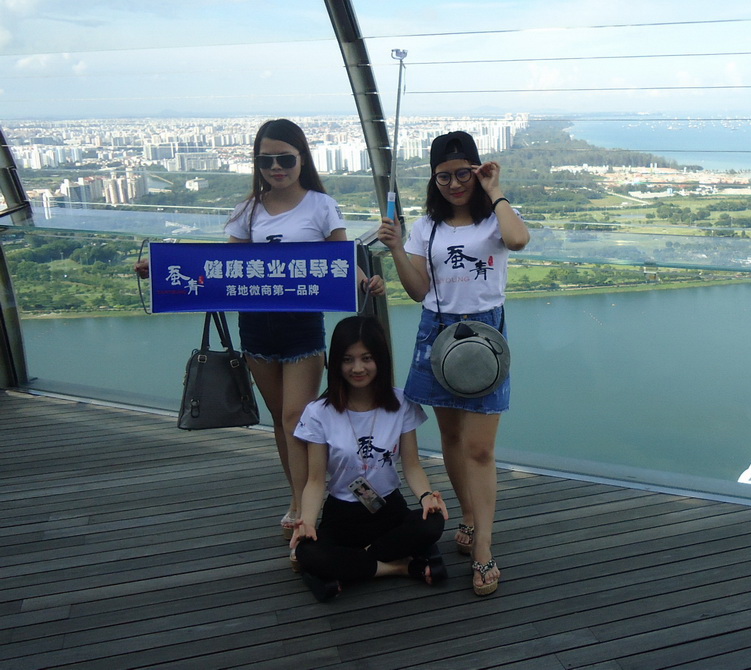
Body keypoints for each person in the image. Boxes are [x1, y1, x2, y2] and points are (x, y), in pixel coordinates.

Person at [136, 119, 385, 539]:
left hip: (302, 327)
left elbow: (340, 259)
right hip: (256, 328)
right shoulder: (247, 210)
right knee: (281, 420)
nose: (276, 168)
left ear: (301, 158)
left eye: (284, 159)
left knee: (295, 418)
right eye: (266, 160)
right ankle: (299, 497)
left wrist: (366, 281)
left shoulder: (322, 206)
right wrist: (160, 270)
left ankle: (306, 509)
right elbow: (221, 271)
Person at [378, 130, 530, 596]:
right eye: (443, 176)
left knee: (480, 448)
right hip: (438, 331)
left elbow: (519, 239)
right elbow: (418, 291)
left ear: (477, 170)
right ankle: (468, 515)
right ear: (433, 179)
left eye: (463, 173)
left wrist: (494, 189)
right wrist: (397, 248)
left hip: (485, 333)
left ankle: (483, 545)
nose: (454, 184)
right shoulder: (427, 227)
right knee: (450, 438)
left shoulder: (494, 220)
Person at [288, 315, 448, 602]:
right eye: (347, 360)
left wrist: (427, 497)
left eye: (367, 358)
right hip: (342, 515)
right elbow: (315, 480)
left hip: (389, 508)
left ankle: (354, 566)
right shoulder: (319, 412)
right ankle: (400, 566)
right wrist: (307, 521)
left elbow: (412, 466)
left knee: (432, 522)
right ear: (336, 362)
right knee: (306, 551)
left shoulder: (401, 403)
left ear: (380, 360)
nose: (357, 368)